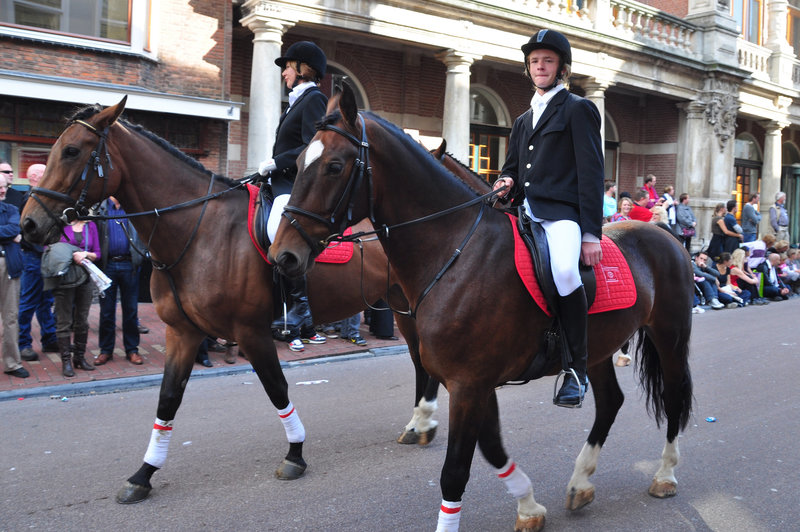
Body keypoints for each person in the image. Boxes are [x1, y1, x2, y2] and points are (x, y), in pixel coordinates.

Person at [493, 28, 603, 408]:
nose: (540, 66)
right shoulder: (523, 119)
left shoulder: (578, 108)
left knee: (565, 272)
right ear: (529, 67)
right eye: (535, 61)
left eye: (548, 61)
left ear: (562, 68)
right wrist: (505, 182)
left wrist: (591, 234)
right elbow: (511, 169)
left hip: (560, 215)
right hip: (523, 214)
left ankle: (576, 369)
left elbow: (590, 174)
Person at [257, 40, 328, 353]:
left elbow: (312, 146)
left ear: (302, 68)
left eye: (287, 66)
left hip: (292, 183)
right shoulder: (296, 99)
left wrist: (277, 162)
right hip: (277, 181)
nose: (283, 72)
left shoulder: (314, 98)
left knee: (279, 236)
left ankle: (297, 316)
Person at [94, 197, 144, 366]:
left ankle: (132, 349)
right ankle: (106, 350)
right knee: (106, 312)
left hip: (129, 264)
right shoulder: (100, 208)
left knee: (130, 310)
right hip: (107, 266)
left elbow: (145, 231)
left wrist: (142, 253)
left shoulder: (133, 206)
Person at [17, 164, 59, 361]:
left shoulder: (43, 198)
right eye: (45, 173)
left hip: (44, 257)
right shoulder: (28, 200)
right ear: (34, 177)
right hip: (33, 258)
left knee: (46, 301)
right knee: (28, 303)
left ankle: (49, 339)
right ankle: (23, 344)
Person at [51, 219, 100, 377]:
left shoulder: (90, 225)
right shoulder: (59, 224)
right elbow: (49, 248)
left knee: (82, 319)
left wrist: (85, 254)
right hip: (64, 278)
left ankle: (79, 358)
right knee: (64, 320)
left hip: (85, 277)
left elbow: (97, 253)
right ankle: (66, 362)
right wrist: (72, 255)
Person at [0, 171, 29, 378]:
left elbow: (14, 227)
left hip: (10, 266)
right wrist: (11, 236)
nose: (2, 190)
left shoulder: (11, 208)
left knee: (11, 317)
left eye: (4, 187)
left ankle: (12, 363)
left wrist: (12, 233)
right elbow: (11, 233)